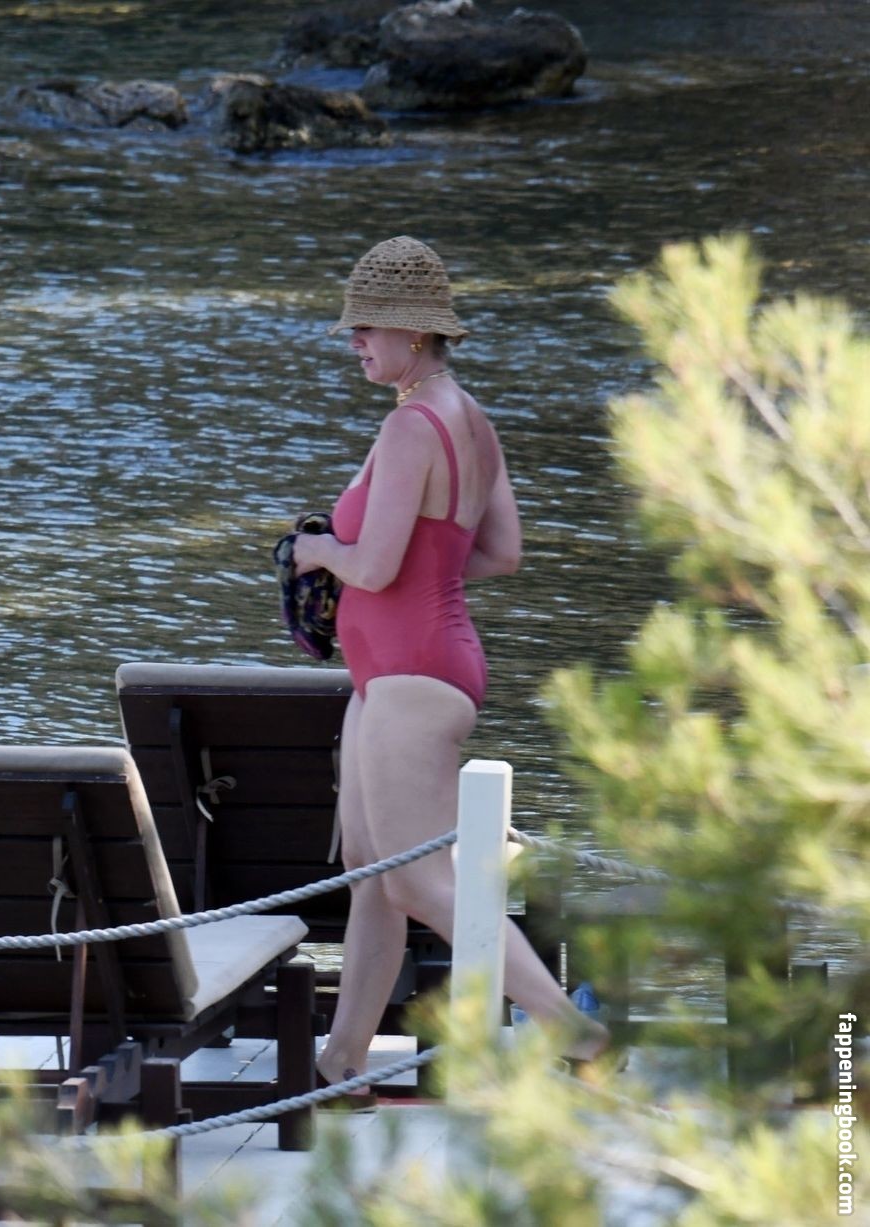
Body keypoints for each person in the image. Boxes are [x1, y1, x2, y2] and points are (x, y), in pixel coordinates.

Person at [290, 236, 610, 1103]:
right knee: (373, 874)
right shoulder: (470, 419)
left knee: (420, 881)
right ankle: (342, 1061)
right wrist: (417, 567)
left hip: (411, 675)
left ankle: (571, 1028)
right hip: (404, 669)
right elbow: (501, 552)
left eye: (367, 328)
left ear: (414, 332)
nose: (354, 342)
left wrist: (319, 552)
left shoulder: (409, 427)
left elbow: (373, 564)